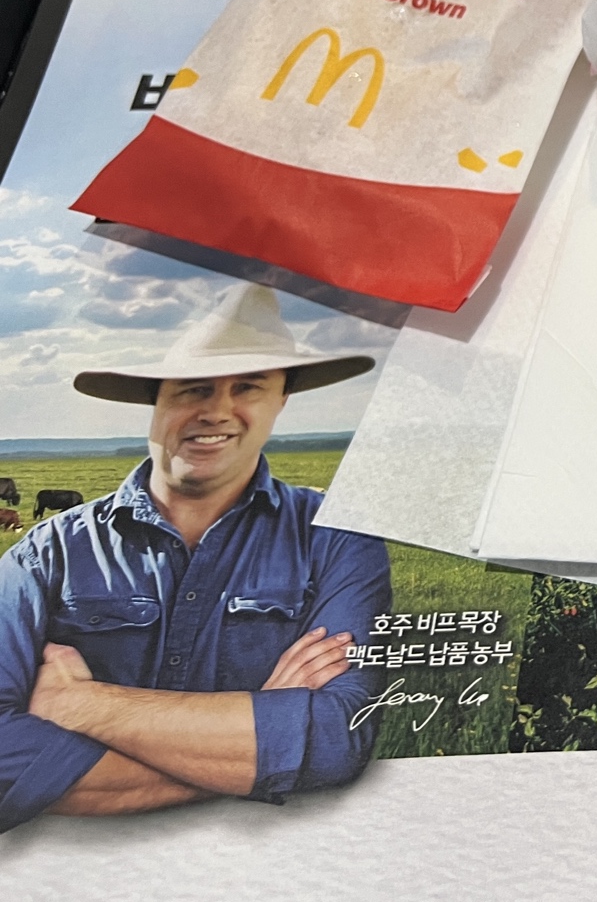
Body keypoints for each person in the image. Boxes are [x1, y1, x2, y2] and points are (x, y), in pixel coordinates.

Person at [0, 282, 392, 829]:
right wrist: (261, 736)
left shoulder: (337, 539)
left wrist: (82, 705)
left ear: (282, 400)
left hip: (267, 869)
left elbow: (337, 735)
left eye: (248, 387)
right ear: (155, 398)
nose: (216, 411)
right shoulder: (45, 555)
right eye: (193, 389)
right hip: (82, 874)